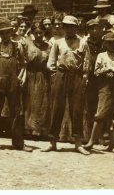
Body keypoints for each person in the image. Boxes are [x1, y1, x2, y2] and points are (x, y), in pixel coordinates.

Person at [0, 18, 31, 151]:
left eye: (7, 32)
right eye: (2, 33)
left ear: (10, 32)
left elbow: (24, 64)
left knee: (16, 112)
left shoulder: (17, 46)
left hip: (14, 82)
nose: (5, 35)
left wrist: (20, 78)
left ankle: (18, 142)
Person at [42, 15, 89, 155]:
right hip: (61, 75)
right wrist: (54, 75)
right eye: (67, 26)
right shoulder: (58, 42)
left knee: (77, 109)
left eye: (72, 26)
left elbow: (87, 61)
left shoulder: (83, 43)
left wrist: (85, 75)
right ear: (64, 28)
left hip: (77, 76)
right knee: (57, 108)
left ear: (76, 27)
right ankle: (52, 142)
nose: (69, 29)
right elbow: (51, 61)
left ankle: (78, 143)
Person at [84, 32, 114, 153]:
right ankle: (91, 141)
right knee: (100, 114)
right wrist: (106, 70)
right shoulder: (101, 56)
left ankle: (111, 144)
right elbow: (96, 71)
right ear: (105, 44)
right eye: (110, 43)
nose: (112, 45)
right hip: (105, 87)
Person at [24, 22, 51, 137]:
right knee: (29, 101)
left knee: (41, 102)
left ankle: (39, 129)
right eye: (36, 33)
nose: (39, 35)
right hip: (30, 75)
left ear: (44, 33)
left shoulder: (48, 46)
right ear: (33, 34)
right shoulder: (28, 45)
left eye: (41, 32)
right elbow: (23, 60)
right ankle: (27, 128)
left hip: (43, 76)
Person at [82, 19, 104, 141]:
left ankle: (99, 135)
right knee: (89, 105)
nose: (94, 31)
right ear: (88, 30)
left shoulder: (104, 43)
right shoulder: (85, 43)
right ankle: (89, 134)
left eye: (97, 28)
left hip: (101, 78)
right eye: (92, 28)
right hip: (89, 77)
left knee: (100, 106)